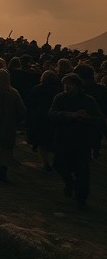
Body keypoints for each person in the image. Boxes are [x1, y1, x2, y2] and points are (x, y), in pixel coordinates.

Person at [50, 73, 105, 210]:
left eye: (70, 84)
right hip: (63, 138)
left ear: (77, 85)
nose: (67, 86)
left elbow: (100, 120)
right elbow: (51, 114)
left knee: (82, 169)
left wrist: (86, 118)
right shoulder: (60, 98)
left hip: (82, 140)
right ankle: (70, 182)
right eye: (65, 84)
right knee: (59, 163)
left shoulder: (88, 100)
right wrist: (70, 115)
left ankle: (81, 196)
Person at [27, 70, 62, 170]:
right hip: (54, 117)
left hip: (41, 117)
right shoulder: (58, 90)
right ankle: (55, 161)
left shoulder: (37, 88)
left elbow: (32, 103)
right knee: (53, 139)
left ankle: (45, 162)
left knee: (43, 142)